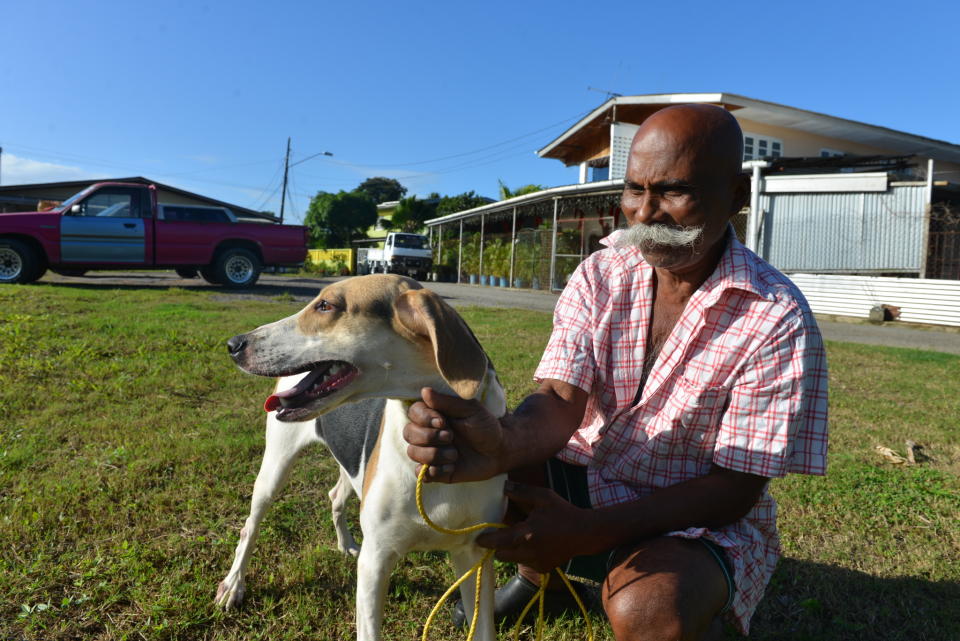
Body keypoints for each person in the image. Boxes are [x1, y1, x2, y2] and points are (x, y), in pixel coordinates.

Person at [404, 104, 828, 640]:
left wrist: (588, 532)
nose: (645, 213)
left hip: (693, 518)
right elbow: (560, 397)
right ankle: (544, 578)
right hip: (585, 478)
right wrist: (503, 442)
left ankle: (697, 614)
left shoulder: (775, 314)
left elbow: (734, 489)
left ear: (736, 196)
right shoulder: (602, 273)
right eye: (634, 189)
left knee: (648, 611)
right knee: (496, 474)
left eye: (674, 192)